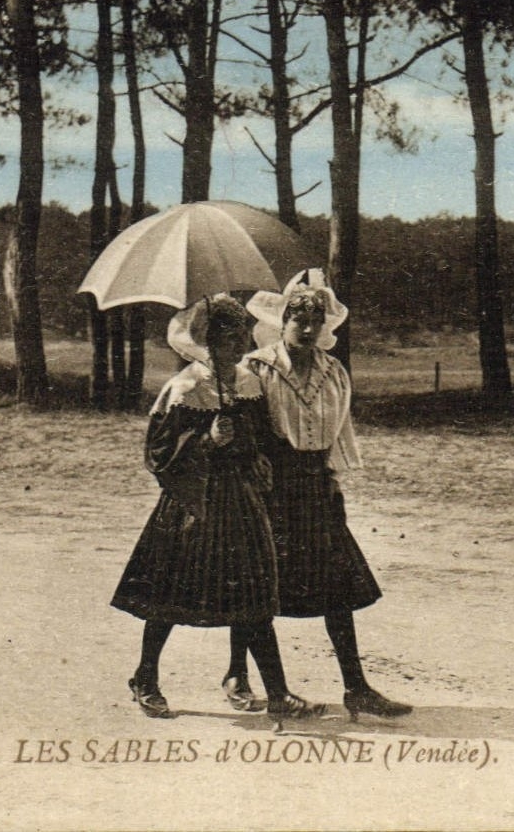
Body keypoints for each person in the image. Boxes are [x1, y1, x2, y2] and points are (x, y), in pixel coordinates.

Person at [110, 293, 322, 725]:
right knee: (169, 596)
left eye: (243, 336)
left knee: (256, 597)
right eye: (228, 339)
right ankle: (145, 677)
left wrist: (260, 456)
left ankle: (277, 693)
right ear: (208, 342)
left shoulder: (248, 383)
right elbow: (158, 453)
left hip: (242, 502)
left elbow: (262, 437)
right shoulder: (187, 387)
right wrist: (207, 440)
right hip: (195, 504)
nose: (238, 346)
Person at [221, 269, 412, 721]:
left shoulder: (333, 371)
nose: (307, 329)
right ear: (280, 321)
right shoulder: (256, 368)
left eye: (316, 320)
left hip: (315, 487)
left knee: (337, 587)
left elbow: (338, 429)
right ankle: (241, 676)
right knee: (257, 586)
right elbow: (244, 429)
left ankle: (356, 688)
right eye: (297, 320)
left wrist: (332, 477)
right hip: (268, 487)